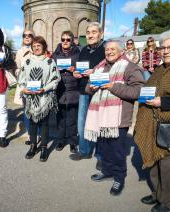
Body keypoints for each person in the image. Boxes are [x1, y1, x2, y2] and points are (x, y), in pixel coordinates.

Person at [134, 30, 170, 211]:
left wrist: (163, 101)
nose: (165, 51)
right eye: (163, 47)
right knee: (154, 163)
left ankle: (168, 202)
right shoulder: (161, 68)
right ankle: (157, 195)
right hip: (153, 123)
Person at [86, 40, 144, 196]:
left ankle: (119, 178)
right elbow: (88, 87)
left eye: (113, 49)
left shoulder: (130, 67)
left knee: (117, 151)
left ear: (121, 51)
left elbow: (138, 91)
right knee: (103, 147)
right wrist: (91, 87)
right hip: (100, 115)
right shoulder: (100, 66)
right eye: (107, 50)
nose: (109, 52)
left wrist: (113, 86)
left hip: (118, 117)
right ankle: (106, 171)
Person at [18, 36, 61, 162]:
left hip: (44, 97)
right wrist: (23, 88)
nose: (36, 48)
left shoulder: (50, 62)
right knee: (31, 122)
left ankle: (43, 148)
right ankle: (32, 146)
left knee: (44, 123)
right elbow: (21, 79)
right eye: (34, 46)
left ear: (44, 47)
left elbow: (55, 79)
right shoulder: (27, 62)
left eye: (39, 46)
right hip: (31, 98)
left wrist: (44, 89)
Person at [70, 22, 106, 170]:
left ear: (101, 34)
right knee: (82, 123)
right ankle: (84, 151)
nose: (90, 35)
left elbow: (111, 71)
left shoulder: (106, 49)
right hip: (84, 90)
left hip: (99, 91)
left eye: (94, 32)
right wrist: (76, 73)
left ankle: (101, 156)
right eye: (88, 32)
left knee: (99, 123)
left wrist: (95, 73)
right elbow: (79, 68)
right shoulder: (84, 50)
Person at [51, 31, 80, 154]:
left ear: (72, 40)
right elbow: (50, 70)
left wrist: (75, 70)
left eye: (68, 39)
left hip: (73, 90)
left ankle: (73, 142)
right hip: (60, 90)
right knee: (61, 119)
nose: (65, 42)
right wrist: (55, 70)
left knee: (72, 119)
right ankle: (61, 140)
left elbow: (82, 69)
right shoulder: (55, 55)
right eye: (63, 39)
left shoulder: (78, 54)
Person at [14, 30, 35, 145]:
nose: (27, 37)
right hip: (25, 85)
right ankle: (30, 134)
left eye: (30, 35)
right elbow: (16, 66)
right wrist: (18, 71)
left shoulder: (38, 48)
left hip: (37, 85)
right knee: (27, 111)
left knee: (37, 110)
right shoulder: (19, 51)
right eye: (24, 36)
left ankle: (38, 133)